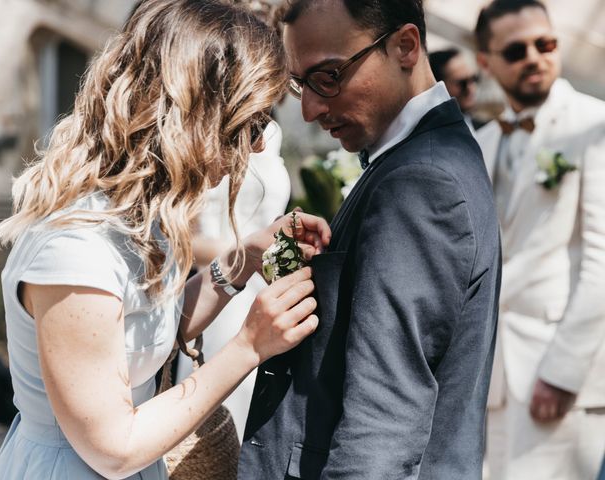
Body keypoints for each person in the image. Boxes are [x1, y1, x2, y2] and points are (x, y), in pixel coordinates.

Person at [0, 1, 330, 479]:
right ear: (196, 115)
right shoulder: (75, 249)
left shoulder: (142, 215)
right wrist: (249, 345)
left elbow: (148, 333)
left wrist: (244, 260)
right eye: (250, 122)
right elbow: (114, 448)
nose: (255, 146)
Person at [238, 0, 501, 478]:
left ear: (405, 45)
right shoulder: (419, 158)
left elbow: (384, 417)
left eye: (330, 76)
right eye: (301, 83)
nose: (311, 107)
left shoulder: (421, 181)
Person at [474, 1, 605, 478]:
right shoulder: (478, 142)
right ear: (485, 61)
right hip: (489, 383)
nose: (534, 57)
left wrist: (563, 371)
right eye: (515, 49)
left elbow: (602, 260)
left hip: (561, 377)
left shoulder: (595, 124)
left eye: (545, 44)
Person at [175, 119, 291, 441]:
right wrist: (245, 257)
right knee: (217, 433)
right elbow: (185, 242)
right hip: (217, 296)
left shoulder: (271, 135)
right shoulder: (204, 136)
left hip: (268, 290)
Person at [428, 47, 484, 131]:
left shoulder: (484, 128)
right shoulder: (435, 136)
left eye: (474, 79)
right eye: (462, 83)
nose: (471, 88)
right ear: (440, 86)